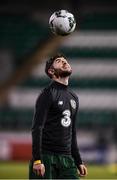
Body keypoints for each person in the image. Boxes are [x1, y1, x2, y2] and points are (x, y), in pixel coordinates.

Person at [29, 54, 87, 179]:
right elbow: (37, 128)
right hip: (46, 158)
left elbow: (72, 131)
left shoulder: (74, 97)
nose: (64, 62)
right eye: (59, 61)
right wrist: (37, 160)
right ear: (51, 71)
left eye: (65, 60)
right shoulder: (47, 94)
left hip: (67, 159)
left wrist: (78, 161)